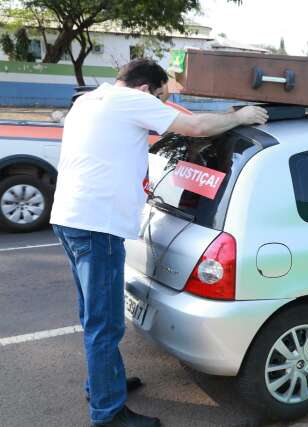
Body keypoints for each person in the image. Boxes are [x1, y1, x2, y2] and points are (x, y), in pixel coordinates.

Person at [50, 58, 268, 427]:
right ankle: (108, 413)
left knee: (93, 315)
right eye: (162, 97)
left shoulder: (89, 100)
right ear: (144, 89)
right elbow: (196, 126)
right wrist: (241, 115)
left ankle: (105, 384)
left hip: (69, 219)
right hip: (96, 226)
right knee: (105, 324)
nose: (163, 105)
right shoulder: (131, 101)